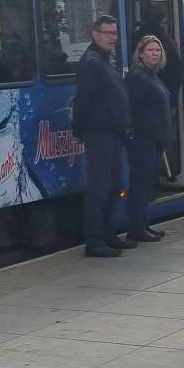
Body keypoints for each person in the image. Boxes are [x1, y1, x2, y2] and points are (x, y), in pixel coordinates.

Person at [70, 15, 133, 258]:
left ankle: (108, 234)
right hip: (99, 133)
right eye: (107, 33)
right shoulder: (92, 62)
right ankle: (94, 241)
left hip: (113, 133)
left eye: (115, 34)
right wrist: (79, 130)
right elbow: (83, 100)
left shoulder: (105, 60)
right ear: (95, 34)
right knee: (100, 187)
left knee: (116, 184)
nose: (112, 38)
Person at [123, 35, 171, 245]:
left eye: (157, 50)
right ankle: (136, 229)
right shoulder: (137, 78)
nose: (154, 54)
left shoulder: (153, 76)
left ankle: (143, 225)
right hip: (143, 140)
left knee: (146, 184)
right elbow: (131, 109)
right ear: (140, 55)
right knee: (139, 185)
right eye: (150, 50)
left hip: (153, 140)